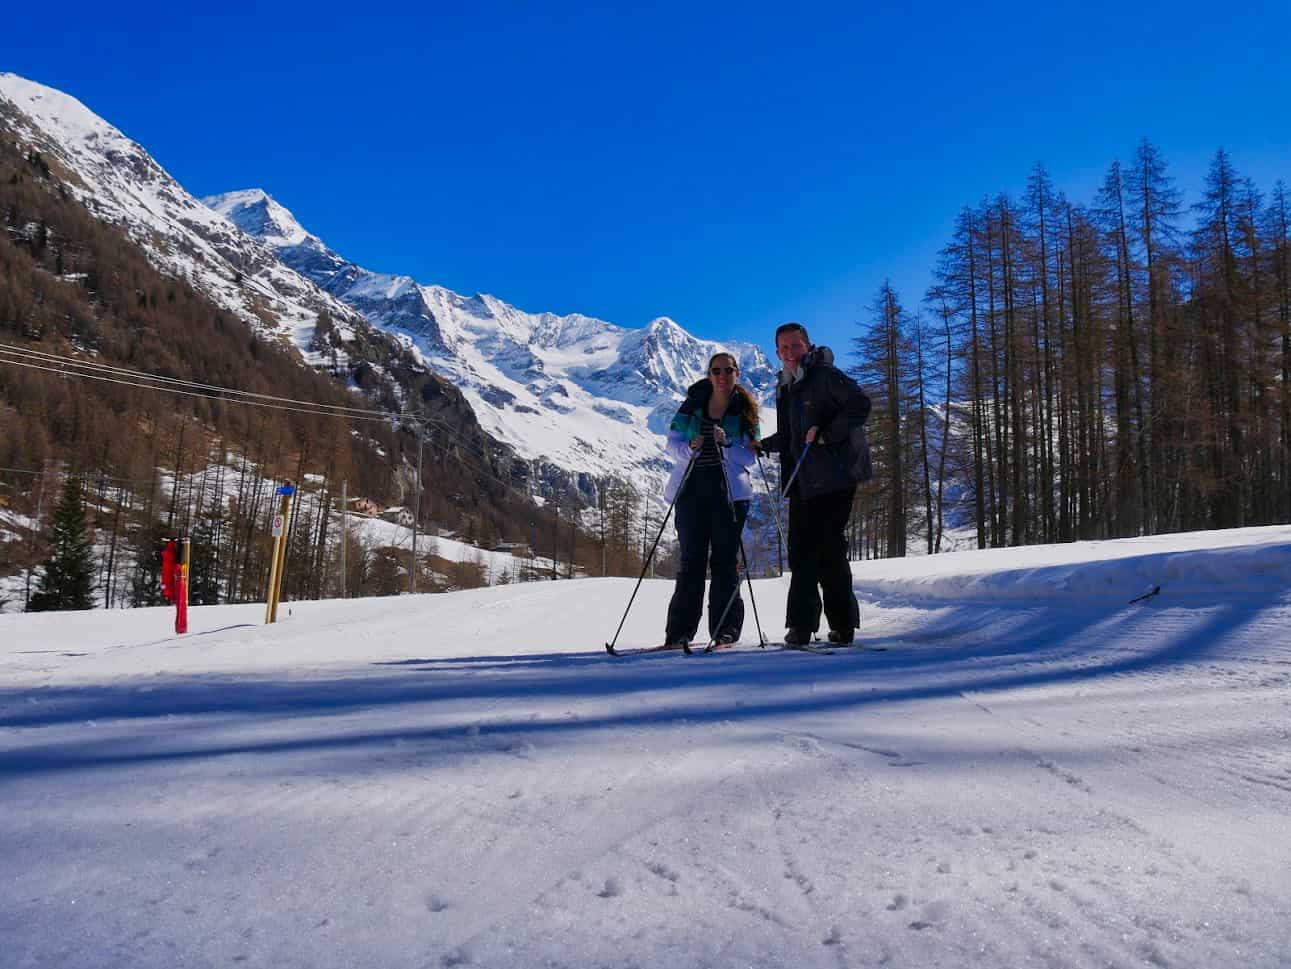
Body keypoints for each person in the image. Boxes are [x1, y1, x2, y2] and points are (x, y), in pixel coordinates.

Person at [758, 322, 872, 646]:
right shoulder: (786, 386)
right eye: (783, 348)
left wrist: (826, 434)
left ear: (807, 346)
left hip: (835, 476)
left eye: (795, 346)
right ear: (777, 353)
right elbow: (792, 436)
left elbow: (860, 405)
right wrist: (763, 445)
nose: (790, 353)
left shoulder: (824, 375)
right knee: (800, 552)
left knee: (828, 548)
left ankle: (842, 624)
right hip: (803, 481)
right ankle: (801, 626)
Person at [662, 352, 761, 648]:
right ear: (709, 374)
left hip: (730, 494)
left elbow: (750, 458)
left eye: (728, 370)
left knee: (725, 562)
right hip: (692, 489)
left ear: (737, 373)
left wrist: (727, 444)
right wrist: (691, 447)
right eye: (716, 370)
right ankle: (678, 633)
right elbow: (671, 445)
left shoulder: (746, 411)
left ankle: (725, 631)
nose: (722, 375)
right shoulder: (691, 405)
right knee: (691, 561)